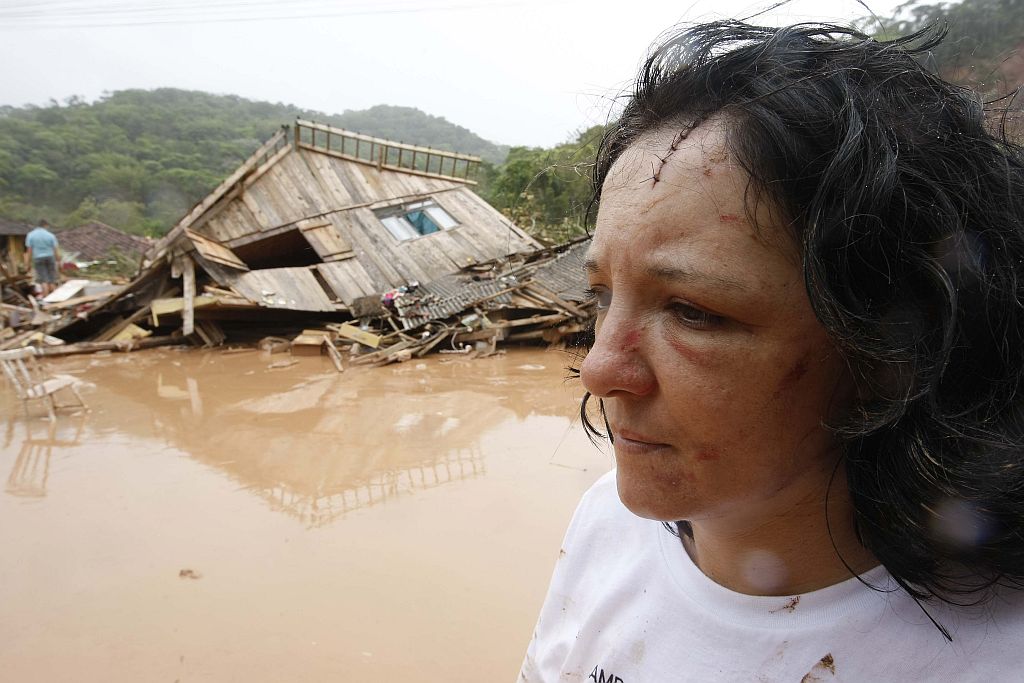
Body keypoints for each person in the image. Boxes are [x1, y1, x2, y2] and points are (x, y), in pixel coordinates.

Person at [521, 21, 1024, 682]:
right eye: (602, 294)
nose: (598, 368)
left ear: (888, 353)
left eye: (693, 311)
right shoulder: (606, 526)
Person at [24, 218, 61, 296]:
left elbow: (29, 251)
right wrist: (58, 261)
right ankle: (55, 299)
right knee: (51, 279)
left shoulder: (31, 235)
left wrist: (27, 264)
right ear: (45, 225)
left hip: (38, 258)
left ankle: (46, 301)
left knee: (43, 280)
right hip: (50, 257)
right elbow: (55, 249)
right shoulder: (50, 235)